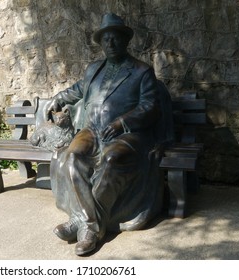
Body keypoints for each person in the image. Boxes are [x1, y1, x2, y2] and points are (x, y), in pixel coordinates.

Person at [47, 13, 165, 256]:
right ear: (101, 43)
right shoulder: (93, 70)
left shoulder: (142, 72)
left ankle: (85, 226)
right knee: (72, 157)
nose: (110, 43)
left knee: (112, 159)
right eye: (106, 39)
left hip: (128, 134)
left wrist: (123, 122)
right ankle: (88, 221)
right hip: (92, 130)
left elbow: (150, 107)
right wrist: (57, 98)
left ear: (125, 40)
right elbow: (77, 90)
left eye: (115, 38)